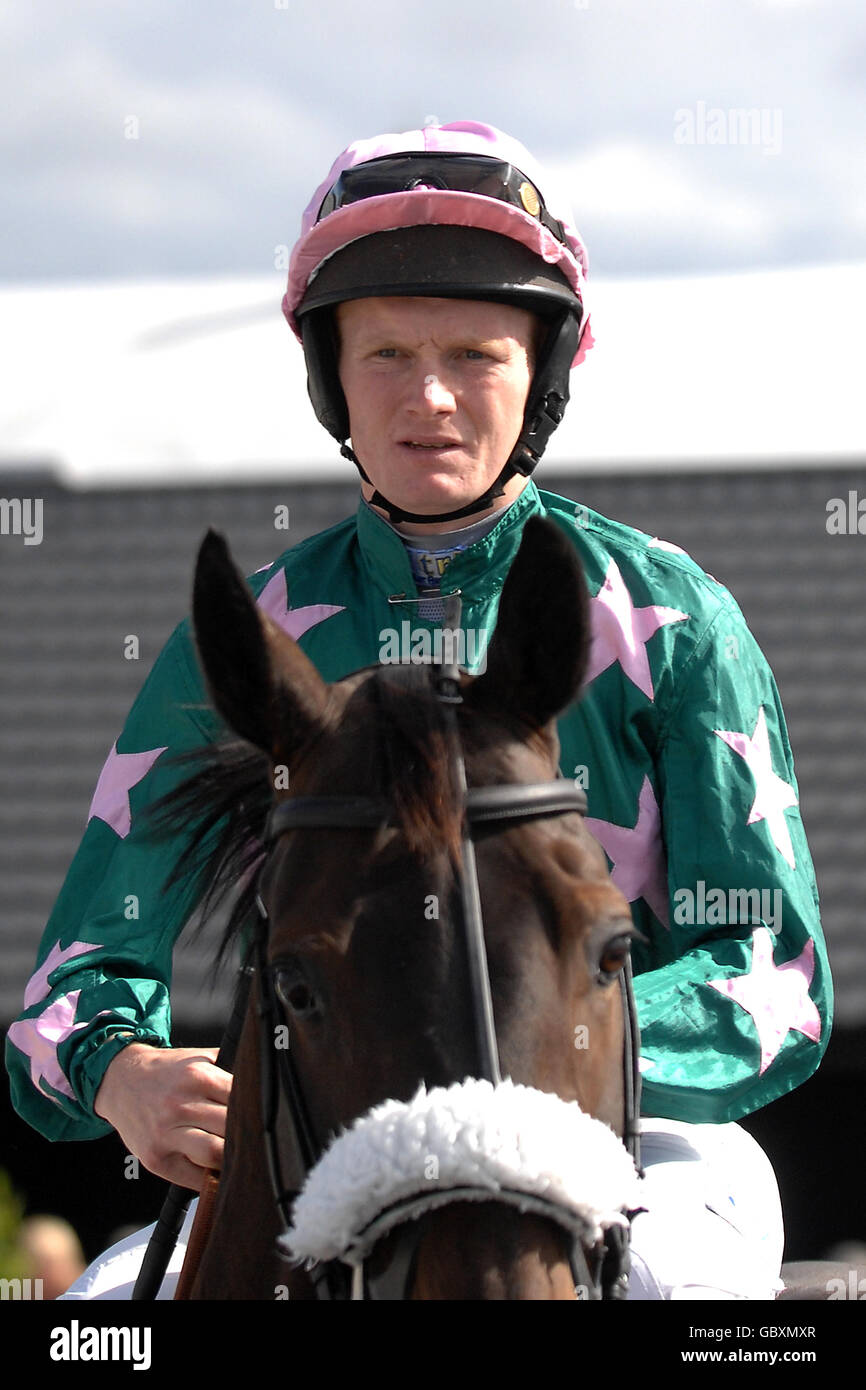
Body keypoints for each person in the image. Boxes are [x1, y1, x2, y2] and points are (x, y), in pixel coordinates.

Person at [6, 120, 831, 1299]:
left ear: (539, 376)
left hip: (635, 1139)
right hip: (320, 1140)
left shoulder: (672, 618)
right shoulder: (243, 644)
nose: (429, 396)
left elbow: (776, 978)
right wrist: (118, 1071)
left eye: (473, 355)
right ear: (328, 377)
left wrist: (521, 1053)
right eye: (386, 352)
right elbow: (70, 983)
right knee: (97, 1316)